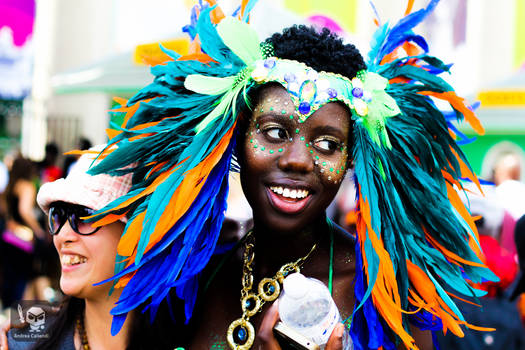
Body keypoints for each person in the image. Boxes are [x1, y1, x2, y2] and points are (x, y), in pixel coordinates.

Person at [75, 1, 497, 349]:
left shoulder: (385, 296)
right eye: (275, 132)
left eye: (327, 143)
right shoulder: (190, 280)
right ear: (235, 138)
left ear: (352, 158)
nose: (297, 160)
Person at [4, 147, 180, 350]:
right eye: (58, 214)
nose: (62, 235)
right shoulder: (21, 338)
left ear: (140, 236)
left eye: (86, 216)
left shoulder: (194, 337)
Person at [0, 156, 46, 308]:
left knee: (10, 276)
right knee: (25, 277)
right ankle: (20, 318)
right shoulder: (27, 186)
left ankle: (9, 312)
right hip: (24, 240)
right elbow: (24, 210)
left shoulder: (10, 186)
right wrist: (39, 231)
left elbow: (5, 209)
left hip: (9, 237)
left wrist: (10, 223)